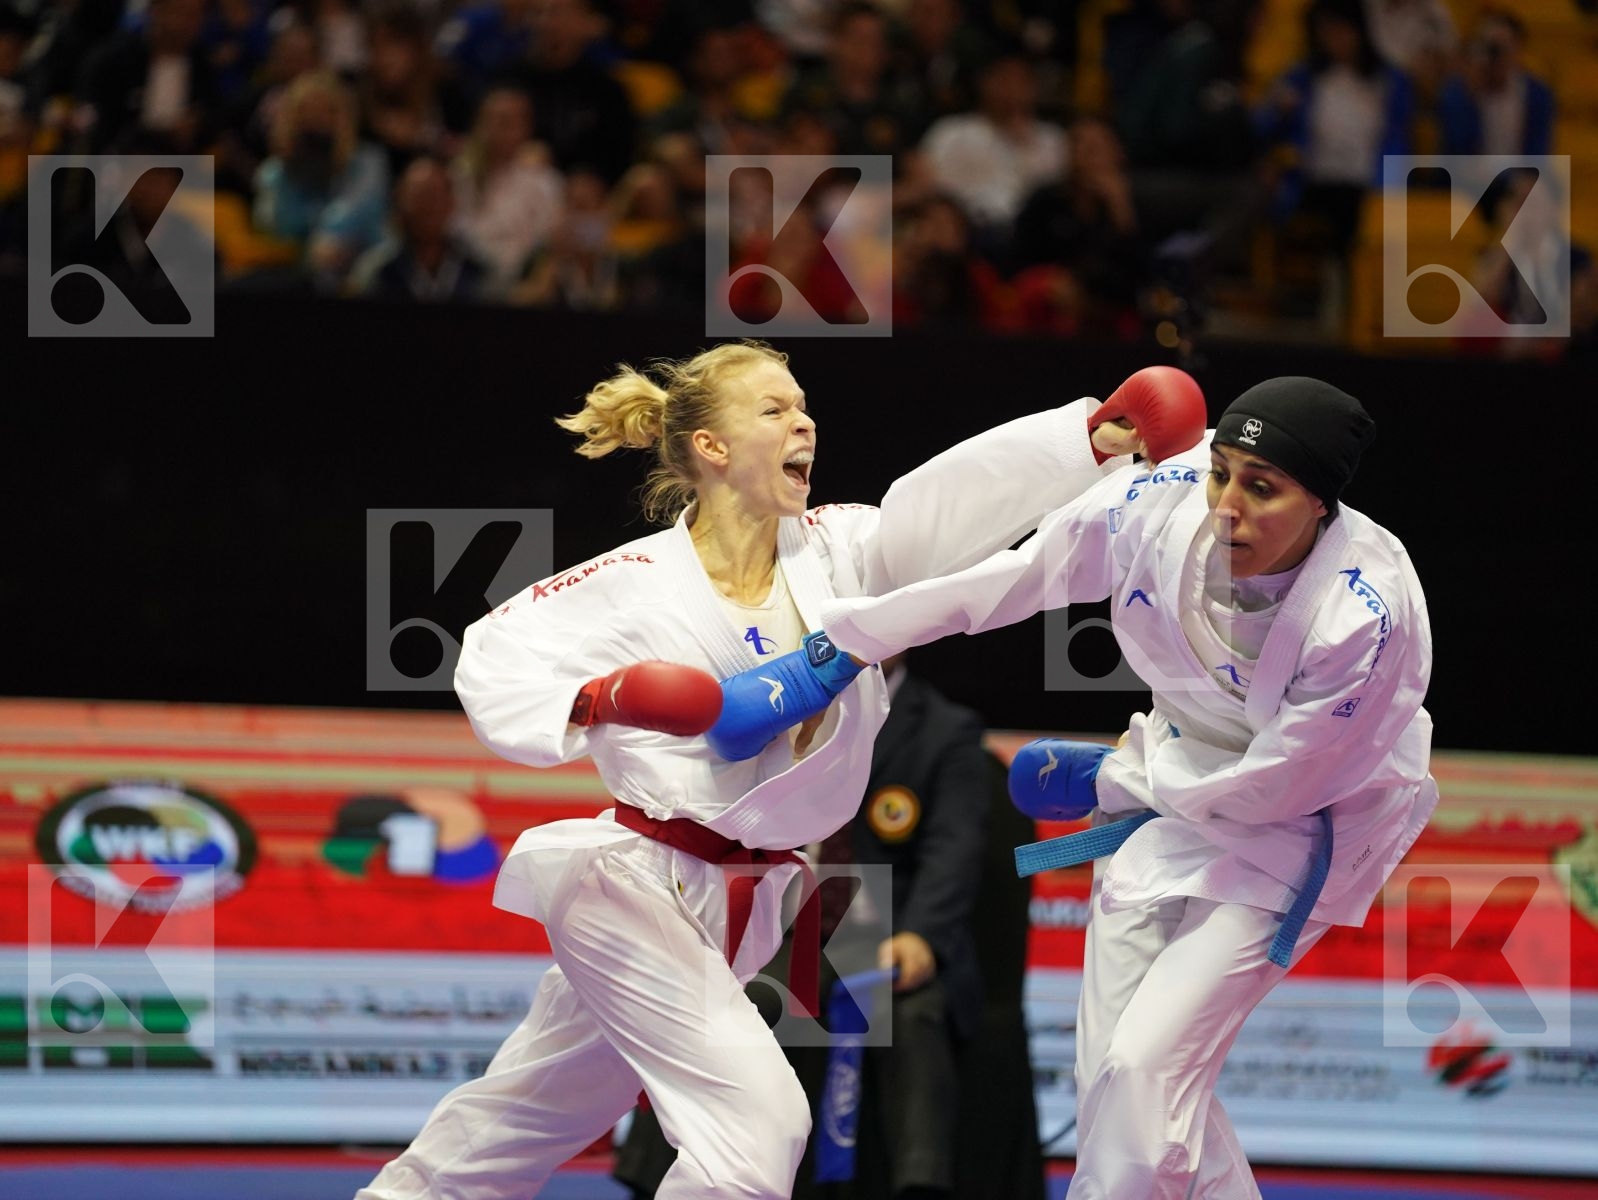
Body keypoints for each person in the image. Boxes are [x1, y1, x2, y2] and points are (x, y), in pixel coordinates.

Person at [354, 342, 1207, 1200]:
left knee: (532, 1109)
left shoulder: (840, 549)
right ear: (712, 448)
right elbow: (494, 658)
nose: (803, 420)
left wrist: (1086, 442)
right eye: (773, 408)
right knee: (761, 1126)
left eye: (803, 405)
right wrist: (605, 696)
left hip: (749, 900)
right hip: (631, 882)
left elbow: (943, 503)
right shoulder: (630, 583)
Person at [816, 377, 1437, 1199]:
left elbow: (1282, 784)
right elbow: (1020, 574)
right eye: (1221, 471)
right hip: (1165, 792)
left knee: (1144, 1072)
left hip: (1301, 833)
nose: (1226, 505)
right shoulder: (1164, 503)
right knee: (1118, 1077)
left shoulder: (1365, 616)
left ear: (1321, 506)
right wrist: (840, 644)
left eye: (1263, 488)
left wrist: (1114, 778)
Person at [612, 652, 1048, 1200]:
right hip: (791, 927)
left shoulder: (944, 731)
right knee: (726, 1003)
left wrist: (921, 936)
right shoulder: (782, 702)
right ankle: (660, 1173)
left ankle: (920, 1186)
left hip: (888, 932)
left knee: (911, 1016)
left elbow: (953, 850)